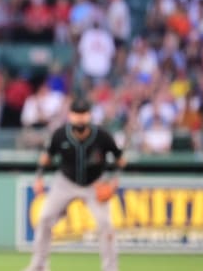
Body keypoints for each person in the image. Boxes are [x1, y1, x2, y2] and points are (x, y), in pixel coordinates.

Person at [24, 97, 127, 271]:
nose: (80, 118)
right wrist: (39, 178)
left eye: (83, 114)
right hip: (65, 182)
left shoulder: (102, 136)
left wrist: (114, 180)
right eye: (76, 114)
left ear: (89, 115)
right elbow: (46, 157)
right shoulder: (60, 134)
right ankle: (39, 265)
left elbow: (121, 160)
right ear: (70, 115)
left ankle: (111, 268)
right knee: (44, 219)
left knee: (106, 224)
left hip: (94, 184)